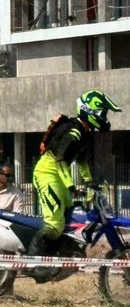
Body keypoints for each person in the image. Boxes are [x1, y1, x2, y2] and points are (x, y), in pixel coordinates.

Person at [30, 89, 121, 258]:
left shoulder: (84, 132)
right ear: (91, 111)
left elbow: (81, 160)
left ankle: (57, 253)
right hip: (47, 172)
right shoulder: (74, 131)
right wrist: (71, 186)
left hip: (58, 175)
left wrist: (89, 182)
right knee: (55, 223)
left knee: (70, 217)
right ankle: (34, 262)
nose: (105, 117)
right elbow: (60, 159)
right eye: (103, 112)